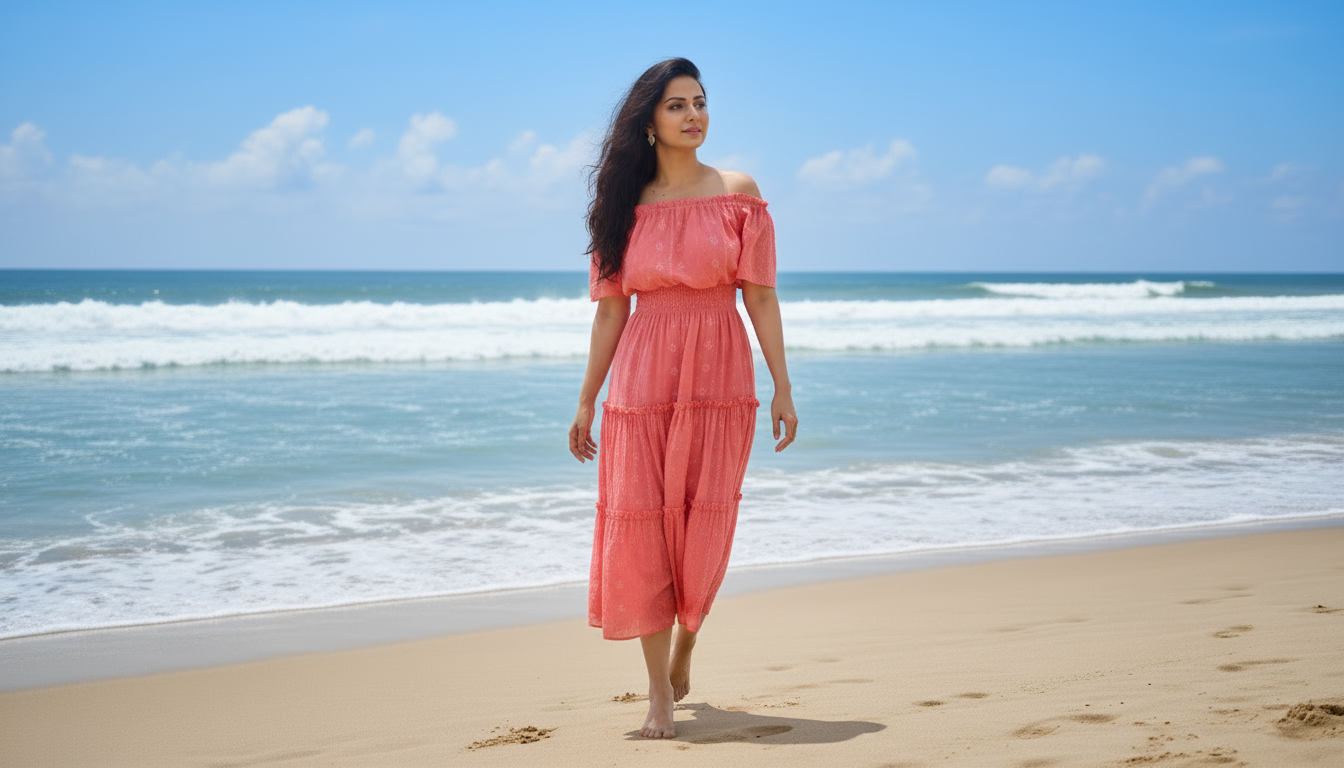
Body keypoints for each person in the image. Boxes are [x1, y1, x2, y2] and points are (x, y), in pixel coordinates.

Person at [568, 58, 798, 740]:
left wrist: (783, 386)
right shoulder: (622, 209)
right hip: (642, 378)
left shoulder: (739, 192)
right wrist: (585, 401)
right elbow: (611, 312)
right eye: (677, 106)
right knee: (645, 525)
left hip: (719, 374)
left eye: (699, 103)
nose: (694, 115)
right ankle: (658, 697)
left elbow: (759, 293)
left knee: (702, 521)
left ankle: (688, 637)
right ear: (648, 123)